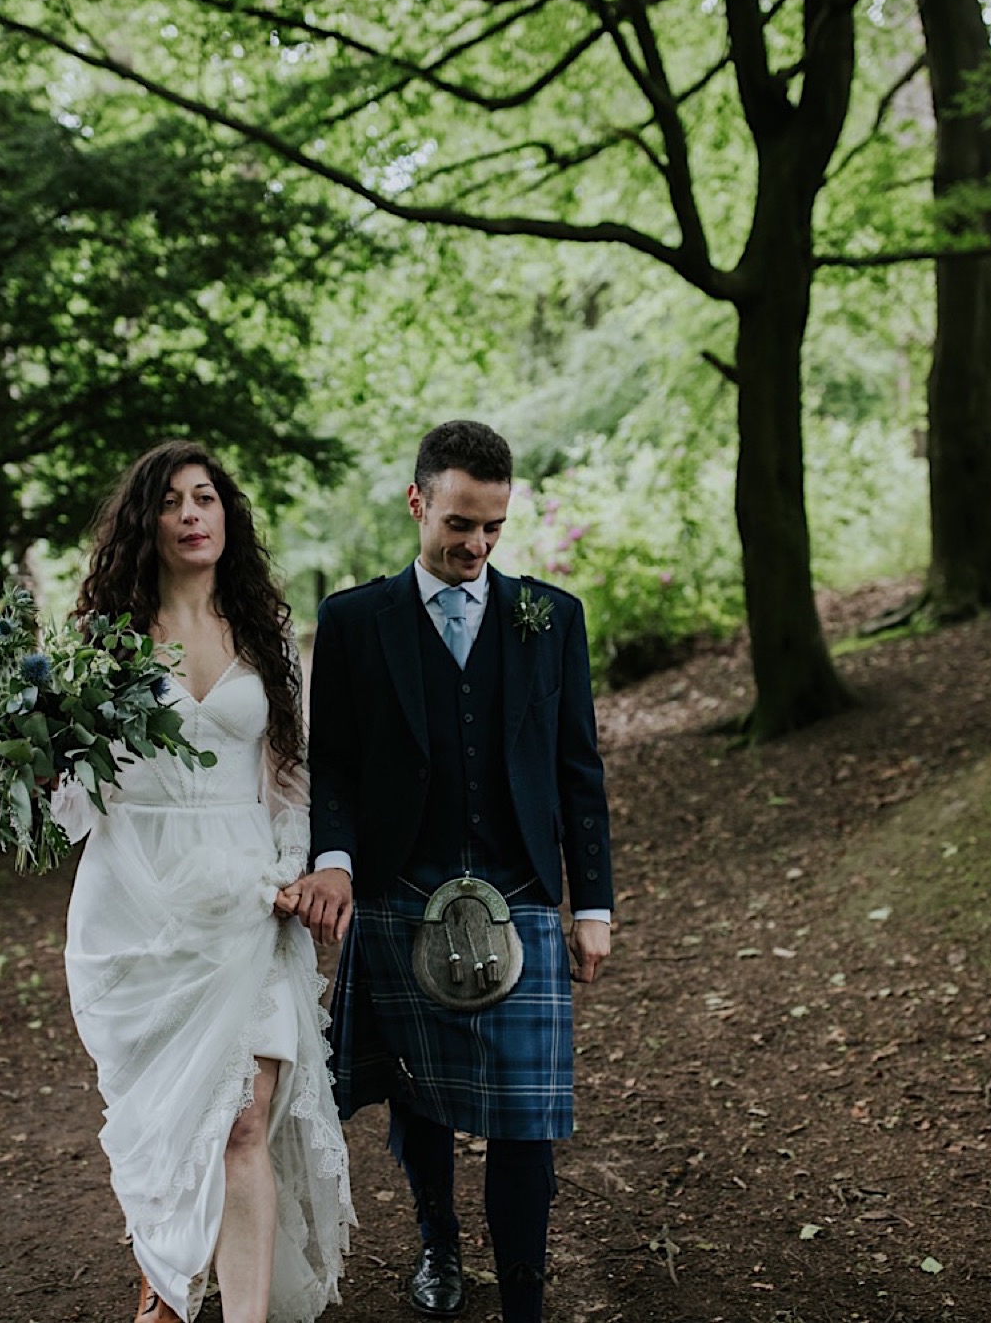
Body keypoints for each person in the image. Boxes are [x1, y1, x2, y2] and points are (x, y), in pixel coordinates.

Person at [281, 420, 614, 1323]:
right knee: (418, 1096)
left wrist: (596, 909)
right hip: (399, 888)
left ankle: (526, 1303)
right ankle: (438, 1246)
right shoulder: (353, 620)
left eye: (494, 528)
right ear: (418, 501)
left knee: (525, 1120)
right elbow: (336, 765)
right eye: (460, 524)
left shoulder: (552, 616)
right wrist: (339, 862)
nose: (476, 545)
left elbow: (579, 769)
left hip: (518, 894)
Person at [52, 441, 355, 1323]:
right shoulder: (103, 646)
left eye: (206, 498)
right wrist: (32, 769)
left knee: (243, 1122)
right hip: (139, 902)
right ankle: (168, 1276)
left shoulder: (264, 636)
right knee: (168, 1124)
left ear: (227, 515)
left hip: (243, 900)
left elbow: (290, 776)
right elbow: (75, 801)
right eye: (173, 502)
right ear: (145, 523)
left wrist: (297, 872)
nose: (193, 514)